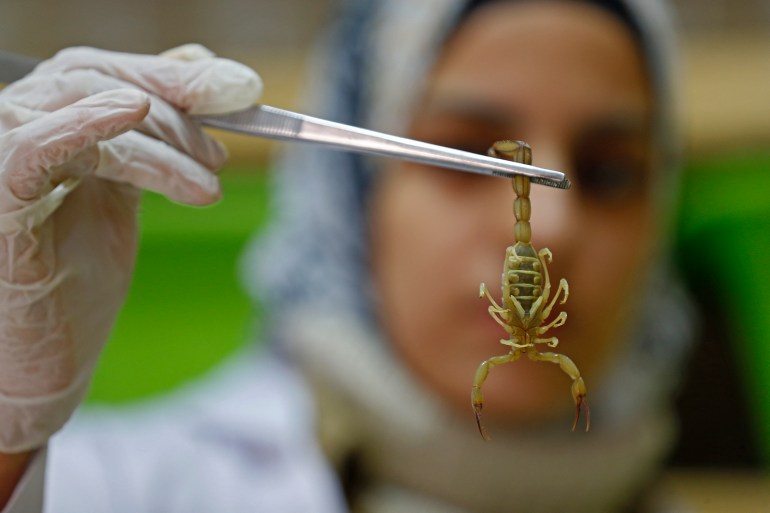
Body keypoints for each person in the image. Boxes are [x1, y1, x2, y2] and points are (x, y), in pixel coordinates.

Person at [0, 0, 696, 511]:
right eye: (465, 157)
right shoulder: (128, 485)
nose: (546, 229)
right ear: (349, 199)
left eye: (608, 174)